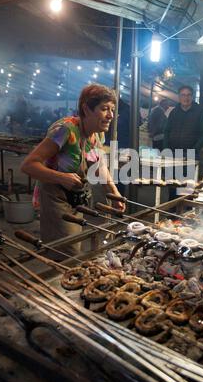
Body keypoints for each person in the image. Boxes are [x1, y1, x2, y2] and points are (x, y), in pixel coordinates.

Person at [21, 84, 125, 255]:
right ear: (86, 108)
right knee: (66, 252)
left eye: (112, 110)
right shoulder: (65, 130)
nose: (110, 115)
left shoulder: (97, 133)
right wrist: (61, 177)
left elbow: (99, 165)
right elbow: (28, 165)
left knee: (73, 245)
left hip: (76, 198)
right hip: (56, 198)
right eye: (104, 109)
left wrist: (114, 193)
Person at [164, 85, 203, 158]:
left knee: (188, 170)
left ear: (192, 97)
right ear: (179, 97)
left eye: (189, 95)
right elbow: (166, 131)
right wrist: (166, 148)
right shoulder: (174, 112)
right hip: (173, 152)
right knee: (171, 170)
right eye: (183, 95)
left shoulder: (199, 112)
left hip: (191, 154)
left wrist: (194, 150)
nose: (186, 98)